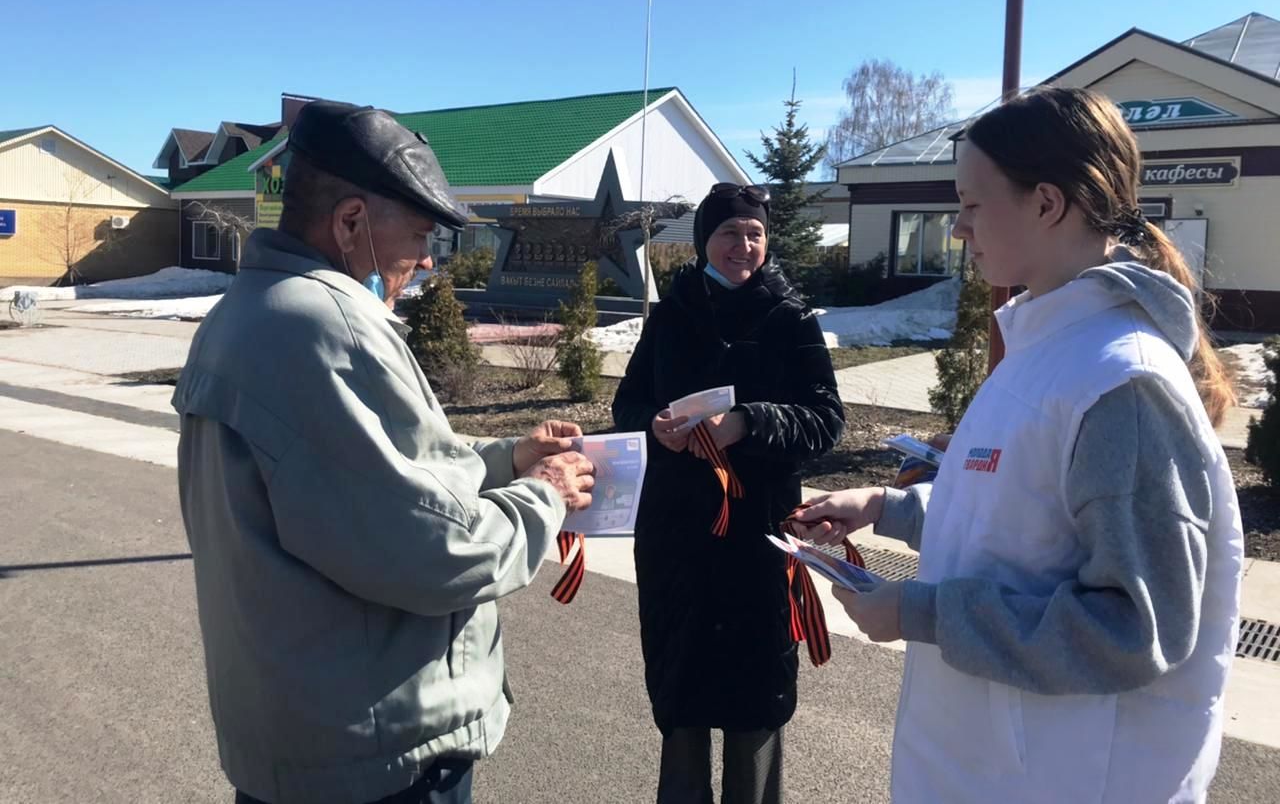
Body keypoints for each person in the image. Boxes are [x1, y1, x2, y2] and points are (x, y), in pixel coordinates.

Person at [793, 87, 1244, 803]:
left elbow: (1135, 628)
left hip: (1068, 779)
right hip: (993, 772)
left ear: (1046, 203)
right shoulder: (1048, 350)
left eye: (972, 205)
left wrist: (920, 613)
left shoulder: (1122, 383)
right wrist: (888, 507)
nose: (959, 230)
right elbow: (1013, 514)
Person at [173, 100, 596, 804]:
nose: (429, 259)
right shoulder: (331, 324)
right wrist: (543, 494)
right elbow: (433, 550)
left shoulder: (246, 312)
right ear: (350, 222)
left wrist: (505, 460)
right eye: (421, 235)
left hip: (297, 736)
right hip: (380, 754)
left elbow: (370, 478)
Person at [612, 183, 846, 804]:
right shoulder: (671, 313)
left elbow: (826, 421)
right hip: (676, 536)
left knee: (755, 702)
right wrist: (653, 426)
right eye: (729, 233)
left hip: (759, 539)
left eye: (754, 234)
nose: (743, 246)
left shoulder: (790, 316)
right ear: (702, 242)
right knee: (681, 696)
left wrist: (751, 421)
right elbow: (628, 402)